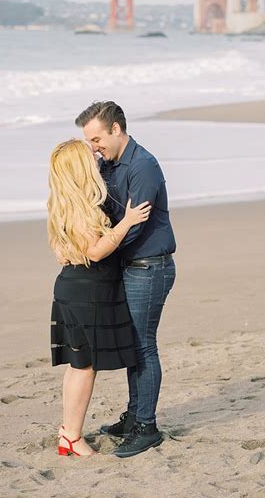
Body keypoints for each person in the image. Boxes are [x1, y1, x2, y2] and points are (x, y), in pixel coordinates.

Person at [75, 101, 176, 458]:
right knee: (133, 345)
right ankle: (134, 416)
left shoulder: (143, 166)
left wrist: (100, 253)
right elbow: (103, 211)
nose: (93, 147)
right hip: (127, 266)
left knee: (143, 345)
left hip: (150, 266)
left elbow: (136, 227)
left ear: (116, 129)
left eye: (97, 139)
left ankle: (147, 427)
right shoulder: (107, 164)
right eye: (88, 141)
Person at [47, 138, 152, 457]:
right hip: (87, 293)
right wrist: (127, 223)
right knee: (84, 367)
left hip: (72, 288)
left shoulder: (62, 202)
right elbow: (95, 251)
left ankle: (68, 432)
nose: (95, 156)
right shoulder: (83, 206)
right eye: (88, 154)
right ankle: (72, 438)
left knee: (79, 365)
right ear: (80, 167)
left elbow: (61, 252)